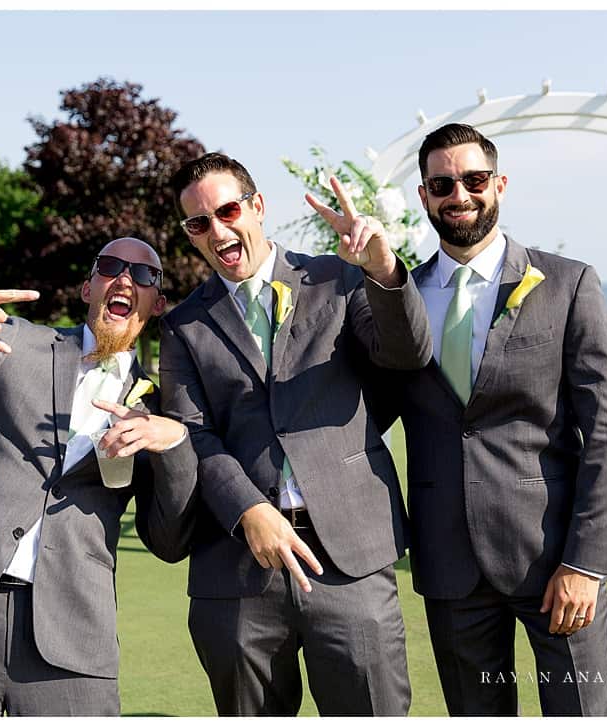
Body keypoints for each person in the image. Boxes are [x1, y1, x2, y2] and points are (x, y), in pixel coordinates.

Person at [158, 152, 431, 716]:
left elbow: (407, 354)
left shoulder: (337, 279)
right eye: (198, 223)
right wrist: (248, 510)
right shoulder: (183, 325)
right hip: (237, 574)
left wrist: (383, 271)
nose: (217, 230)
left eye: (227, 210)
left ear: (257, 207)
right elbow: (193, 433)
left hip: (350, 561)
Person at [0, 237, 197, 716]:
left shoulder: (161, 406)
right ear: (88, 287)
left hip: (72, 629)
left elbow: (169, 541)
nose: (125, 279)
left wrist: (172, 446)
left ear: (158, 304)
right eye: (111, 266)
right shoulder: (14, 343)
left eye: (145, 275)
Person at [396, 123, 607, 716]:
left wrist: (586, 563)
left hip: (554, 556)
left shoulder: (568, 283)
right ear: (424, 196)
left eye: (474, 179)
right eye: (442, 183)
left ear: (499, 184)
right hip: (448, 562)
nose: (460, 194)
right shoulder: (398, 296)